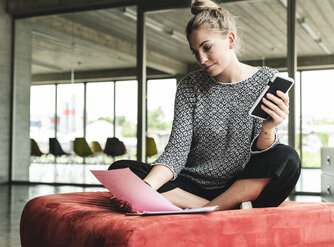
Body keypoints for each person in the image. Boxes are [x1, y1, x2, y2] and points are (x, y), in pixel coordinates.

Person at [109, 0, 301, 211]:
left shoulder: (266, 78)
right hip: (190, 186)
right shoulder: (190, 86)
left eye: (207, 47)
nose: (201, 58)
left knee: (288, 158)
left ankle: (213, 206)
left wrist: (269, 128)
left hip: (239, 185)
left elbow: (264, 155)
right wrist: (144, 188)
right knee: (119, 170)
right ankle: (221, 209)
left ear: (230, 40)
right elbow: (176, 152)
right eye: (195, 52)